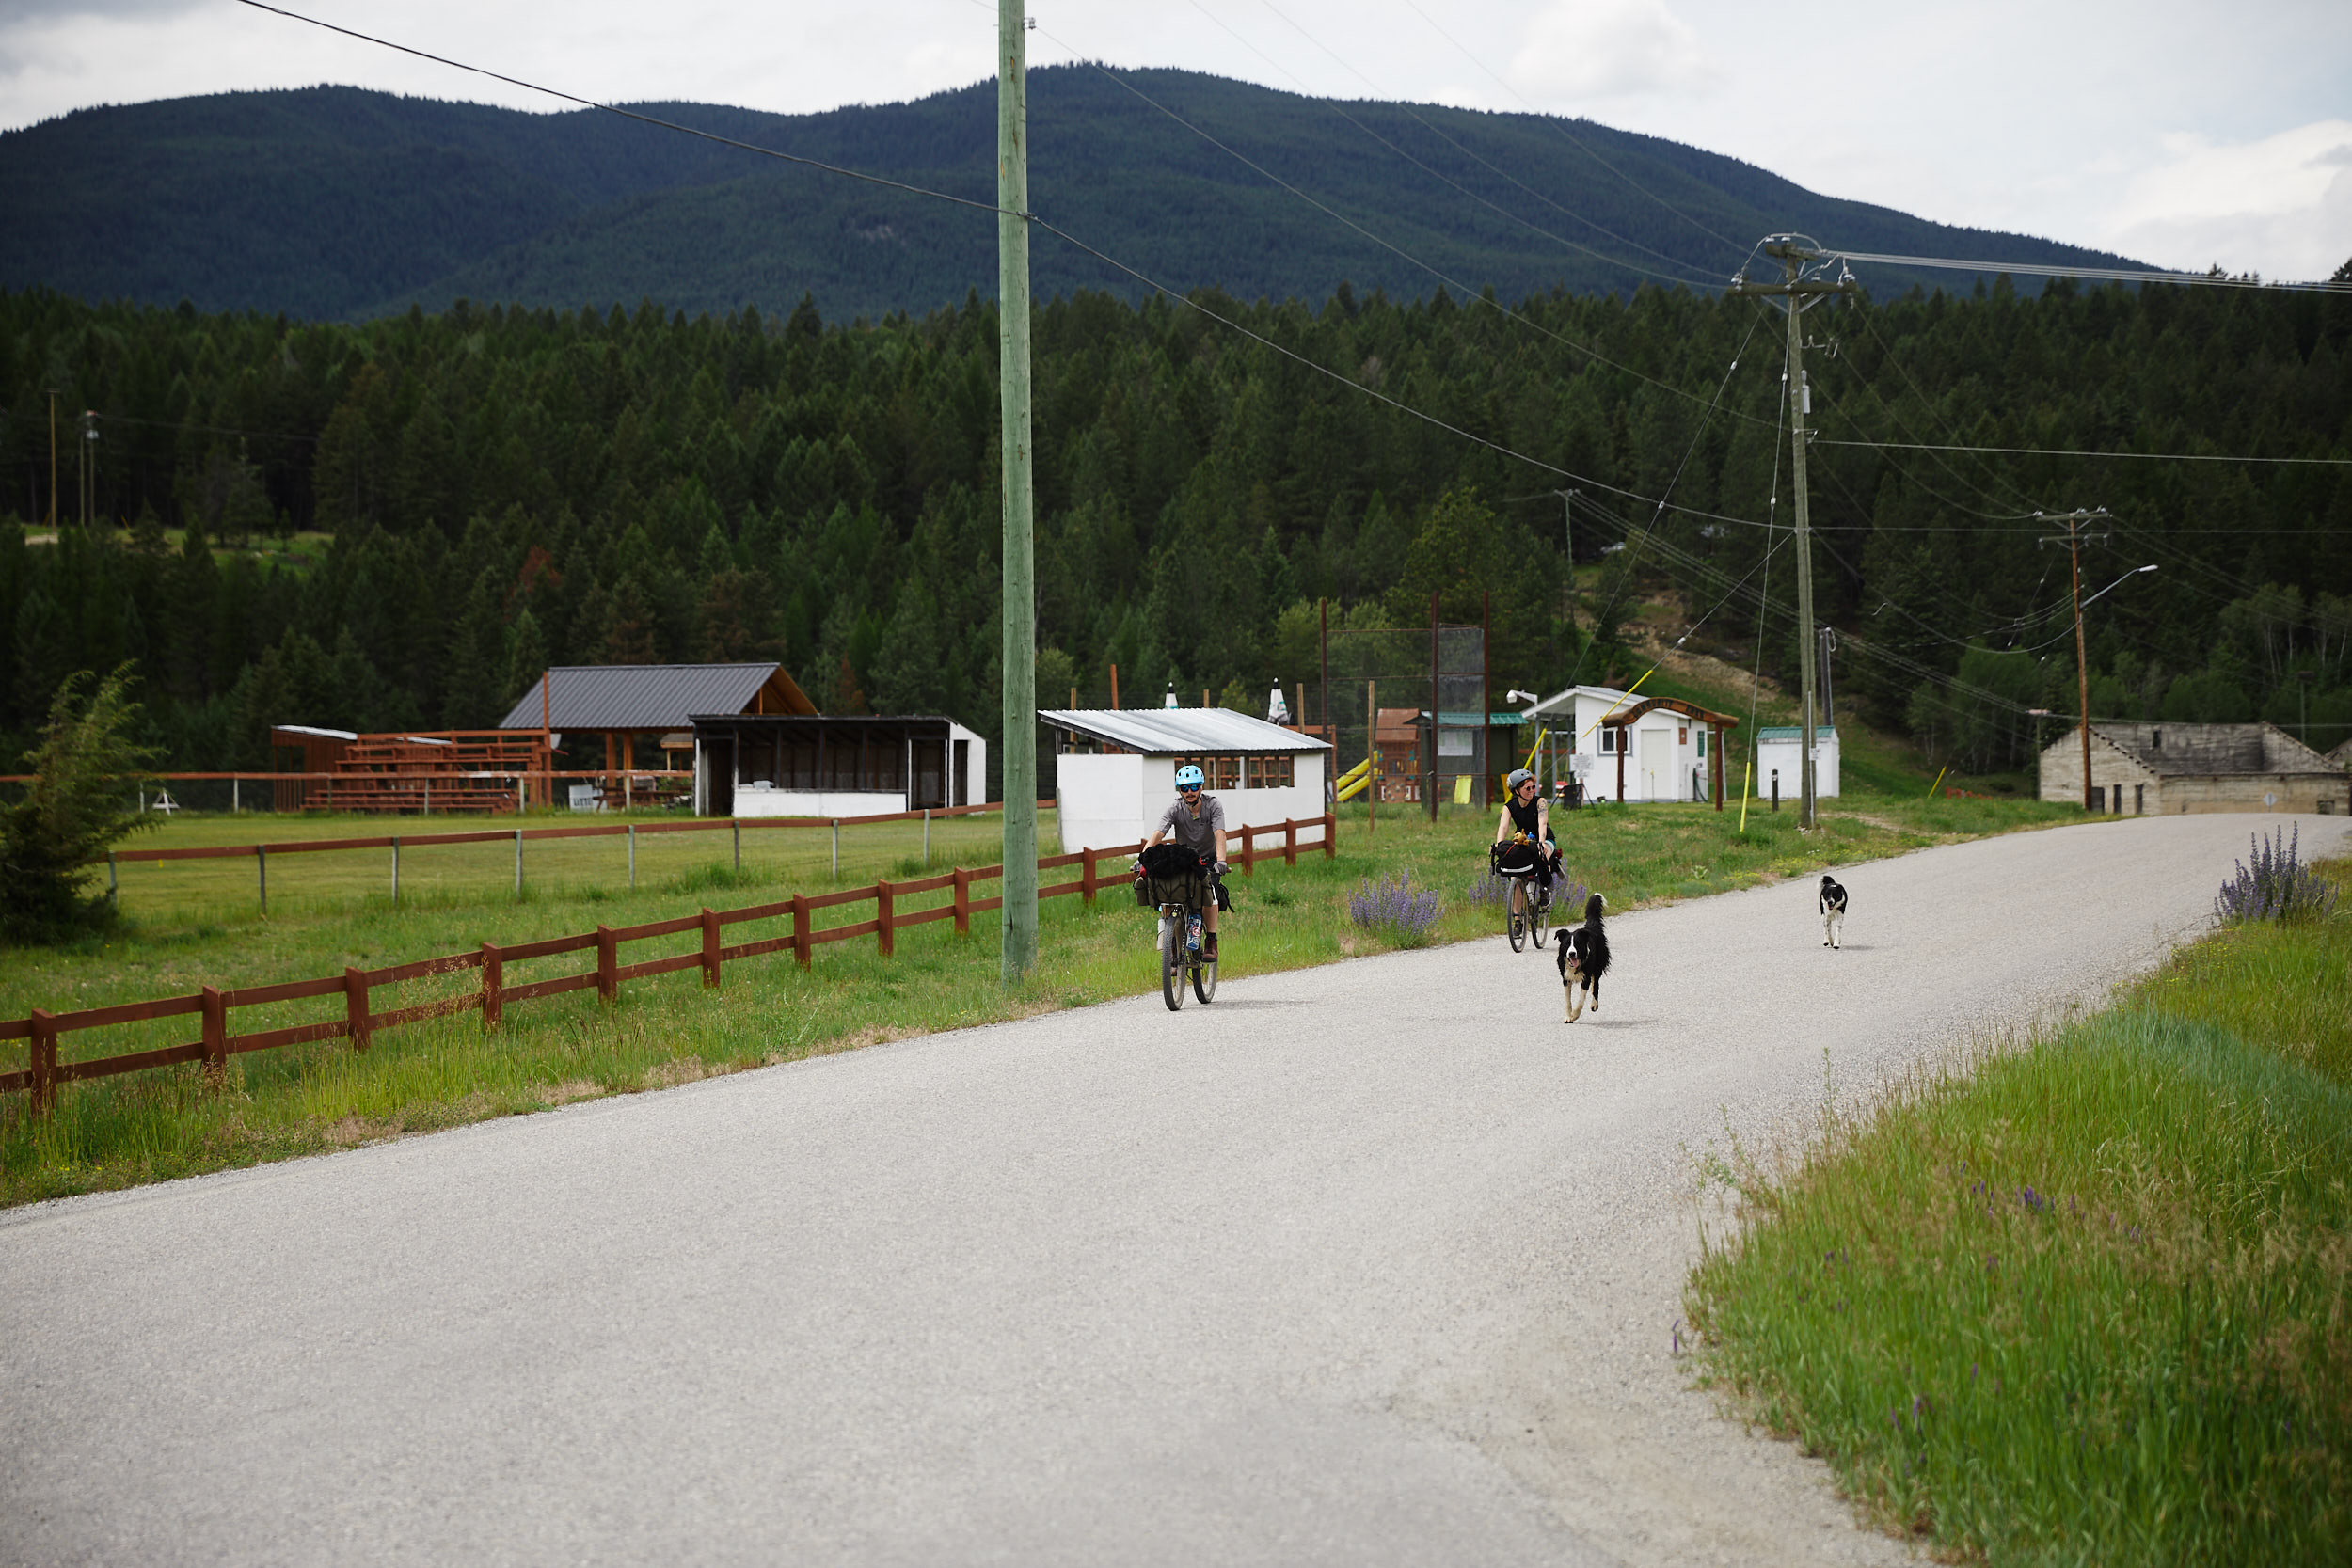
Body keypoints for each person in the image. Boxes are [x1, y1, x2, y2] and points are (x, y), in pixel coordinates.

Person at [1144, 763, 1230, 960]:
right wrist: (1143, 858)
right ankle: (1171, 944)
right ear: (1179, 790)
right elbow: (1159, 833)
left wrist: (1221, 860)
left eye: (1193, 787)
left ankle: (1211, 940)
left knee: (1211, 892)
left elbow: (1220, 833)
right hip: (1185, 859)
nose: (1189, 792)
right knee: (1165, 887)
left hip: (1209, 860)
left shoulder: (1213, 805)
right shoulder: (1175, 808)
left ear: (1201, 787)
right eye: (1184, 788)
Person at [1493, 768, 1557, 917]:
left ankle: (1544, 892)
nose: (1531, 790)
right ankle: (1517, 919)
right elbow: (1503, 827)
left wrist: (1541, 843)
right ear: (1516, 791)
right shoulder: (1509, 807)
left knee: (1543, 855)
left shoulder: (1539, 802)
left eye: (1533, 787)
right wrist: (1499, 845)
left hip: (1545, 839)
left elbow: (1542, 823)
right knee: (1515, 877)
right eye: (1527, 788)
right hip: (1524, 841)